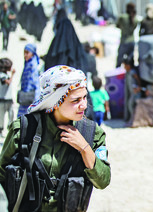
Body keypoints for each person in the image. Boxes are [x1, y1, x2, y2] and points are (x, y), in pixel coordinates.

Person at [0, 65, 111, 211]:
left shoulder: (92, 133)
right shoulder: (24, 128)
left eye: (84, 97)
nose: (83, 105)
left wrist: (85, 149)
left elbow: (103, 181)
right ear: (55, 101)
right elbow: (2, 175)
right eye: (75, 100)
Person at [17, 43, 40, 117]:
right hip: (26, 96)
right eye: (24, 52)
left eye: (27, 53)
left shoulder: (32, 65)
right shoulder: (28, 63)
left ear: (33, 54)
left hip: (30, 97)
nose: (25, 55)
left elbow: (34, 82)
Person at [115, 2, 139, 67]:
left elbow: (117, 25)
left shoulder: (122, 17)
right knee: (130, 60)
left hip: (124, 41)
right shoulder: (135, 19)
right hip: (132, 41)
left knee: (119, 59)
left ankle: (117, 73)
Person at [123, 54, 141, 123]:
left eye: (125, 66)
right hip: (132, 93)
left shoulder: (133, 72)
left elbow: (138, 79)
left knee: (132, 105)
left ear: (128, 66)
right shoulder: (128, 73)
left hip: (135, 92)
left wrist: (139, 86)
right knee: (130, 105)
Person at [0, 58, 15, 137]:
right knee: (1, 117)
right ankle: (1, 130)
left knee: (11, 115)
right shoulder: (2, 75)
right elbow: (8, 82)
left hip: (8, 99)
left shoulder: (5, 74)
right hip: (3, 100)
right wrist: (13, 74)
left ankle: (9, 130)